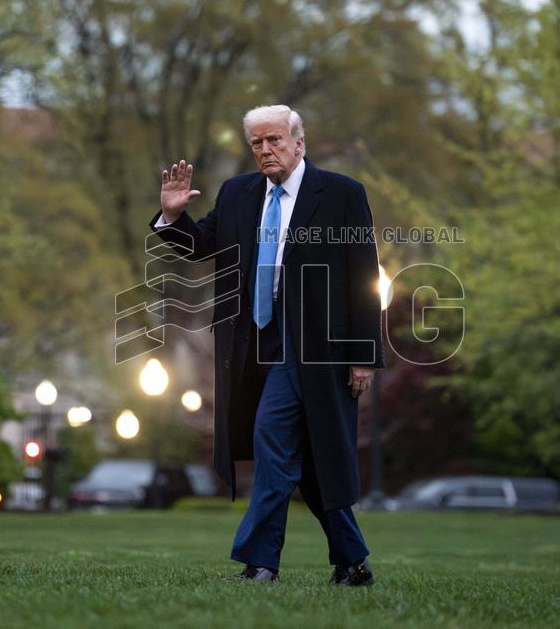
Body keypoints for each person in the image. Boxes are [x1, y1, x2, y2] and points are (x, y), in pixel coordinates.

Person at [148, 104, 384, 586]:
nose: (265, 150)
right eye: (257, 142)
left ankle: (260, 563)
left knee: (272, 441)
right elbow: (204, 246)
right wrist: (173, 217)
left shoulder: (341, 194)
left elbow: (364, 275)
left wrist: (364, 353)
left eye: (275, 140)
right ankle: (352, 563)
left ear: (299, 143)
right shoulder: (238, 193)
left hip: (315, 348)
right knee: (310, 461)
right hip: (252, 344)